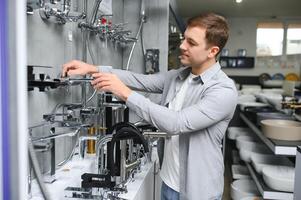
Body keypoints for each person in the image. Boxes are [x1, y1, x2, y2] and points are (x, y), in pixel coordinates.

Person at [62, 12, 237, 200]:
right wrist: (94, 68)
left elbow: (177, 123)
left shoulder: (223, 91)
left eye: (191, 43)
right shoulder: (179, 76)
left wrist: (124, 92)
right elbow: (142, 80)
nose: (182, 46)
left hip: (198, 193)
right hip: (169, 183)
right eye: (184, 39)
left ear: (213, 51)